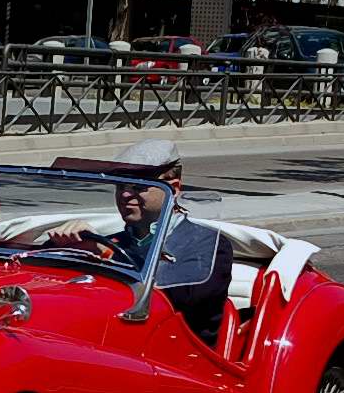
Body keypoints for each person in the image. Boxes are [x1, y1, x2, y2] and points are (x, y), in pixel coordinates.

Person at [46, 140, 234, 348]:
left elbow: (179, 298)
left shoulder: (208, 244)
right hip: (110, 349)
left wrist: (108, 255)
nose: (126, 195)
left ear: (173, 189)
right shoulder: (112, 241)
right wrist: (62, 244)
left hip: (178, 359)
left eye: (139, 186)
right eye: (120, 185)